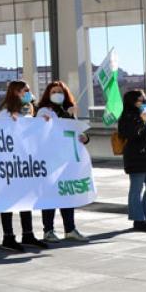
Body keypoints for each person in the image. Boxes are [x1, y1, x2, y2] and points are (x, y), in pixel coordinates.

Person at [35, 81, 89, 242]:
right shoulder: (44, 111)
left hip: (67, 159)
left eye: (60, 91)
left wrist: (85, 138)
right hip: (51, 158)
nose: (57, 94)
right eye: (54, 91)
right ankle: (48, 230)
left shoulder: (68, 110)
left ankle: (70, 228)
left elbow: (75, 131)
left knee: (67, 194)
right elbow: (54, 129)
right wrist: (69, 115)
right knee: (50, 194)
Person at [0, 80, 47, 251]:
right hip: (10, 164)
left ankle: (28, 233)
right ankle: (8, 236)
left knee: (26, 199)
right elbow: (1, 135)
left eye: (29, 90)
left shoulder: (29, 111)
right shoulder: (5, 112)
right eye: (24, 90)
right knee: (9, 199)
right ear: (15, 92)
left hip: (26, 163)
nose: (28, 93)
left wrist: (42, 122)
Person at [119, 90, 146, 233]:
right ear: (131, 102)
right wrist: (141, 121)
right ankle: (138, 220)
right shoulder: (126, 116)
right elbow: (128, 134)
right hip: (135, 156)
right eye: (140, 100)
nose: (143, 103)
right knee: (136, 189)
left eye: (144, 100)